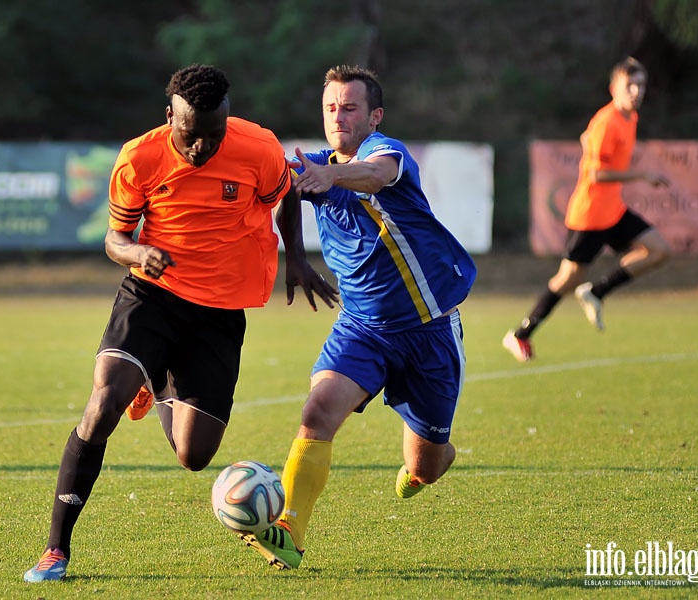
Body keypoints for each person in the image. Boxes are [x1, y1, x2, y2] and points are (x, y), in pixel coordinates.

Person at [23, 64, 335, 582]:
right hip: (153, 293)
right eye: (191, 136)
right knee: (103, 404)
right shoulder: (139, 157)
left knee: (194, 456)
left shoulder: (256, 147)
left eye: (215, 135)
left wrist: (298, 259)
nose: (202, 148)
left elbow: (286, 196)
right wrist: (137, 252)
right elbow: (113, 240)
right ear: (170, 117)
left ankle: (153, 377)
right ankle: (56, 549)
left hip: (218, 313)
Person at [239, 64, 477, 570]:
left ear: (375, 116)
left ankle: (435, 458)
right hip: (362, 328)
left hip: (428, 331)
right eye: (331, 108)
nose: (338, 117)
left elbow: (377, 175)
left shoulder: (383, 153)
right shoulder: (316, 164)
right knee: (317, 414)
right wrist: (296, 258)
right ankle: (290, 529)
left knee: (425, 467)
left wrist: (329, 175)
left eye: (349, 108)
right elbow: (286, 194)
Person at [502, 57, 670, 362]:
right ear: (613, 88)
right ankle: (519, 334)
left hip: (613, 211)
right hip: (590, 215)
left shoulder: (629, 118)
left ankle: (597, 292)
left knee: (658, 250)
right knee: (566, 280)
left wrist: (589, 142)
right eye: (630, 85)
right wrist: (642, 176)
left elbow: (589, 141)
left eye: (641, 85)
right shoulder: (607, 122)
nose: (636, 91)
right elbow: (596, 174)